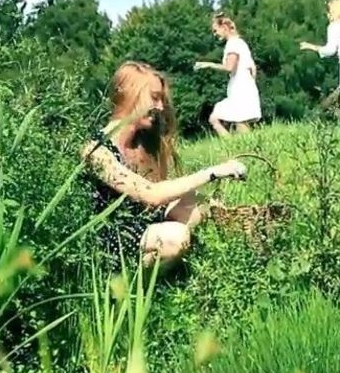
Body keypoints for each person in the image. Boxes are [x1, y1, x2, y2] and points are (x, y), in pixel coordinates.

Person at [81, 61, 248, 273]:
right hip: (114, 240)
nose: (160, 107)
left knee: (197, 204)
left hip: (142, 224)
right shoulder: (95, 151)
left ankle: (213, 258)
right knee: (176, 238)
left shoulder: (144, 143)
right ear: (131, 95)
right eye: (154, 97)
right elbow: (152, 195)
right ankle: (131, 284)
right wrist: (212, 173)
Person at [194, 13, 262, 137]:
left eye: (216, 30)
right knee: (238, 122)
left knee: (219, 119)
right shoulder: (241, 43)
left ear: (224, 27)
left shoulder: (233, 44)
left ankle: (235, 146)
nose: (215, 34)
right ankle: (238, 146)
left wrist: (208, 65)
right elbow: (253, 69)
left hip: (240, 88)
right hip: (245, 86)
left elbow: (229, 67)